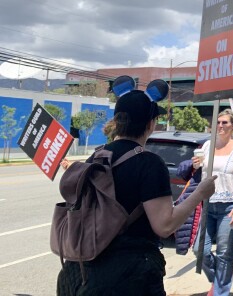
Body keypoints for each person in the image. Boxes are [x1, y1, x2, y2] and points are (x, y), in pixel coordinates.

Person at [57, 86, 216, 295]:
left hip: (85, 270)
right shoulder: (149, 163)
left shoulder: (95, 158)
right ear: (151, 124)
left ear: (117, 122)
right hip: (132, 275)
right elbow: (165, 225)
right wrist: (200, 194)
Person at [194, 109, 233, 296]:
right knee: (199, 250)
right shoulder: (207, 146)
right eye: (218, 122)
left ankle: (221, 292)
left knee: (224, 253)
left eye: (224, 123)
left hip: (230, 206)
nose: (220, 126)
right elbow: (201, 172)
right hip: (208, 204)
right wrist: (196, 164)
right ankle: (218, 279)